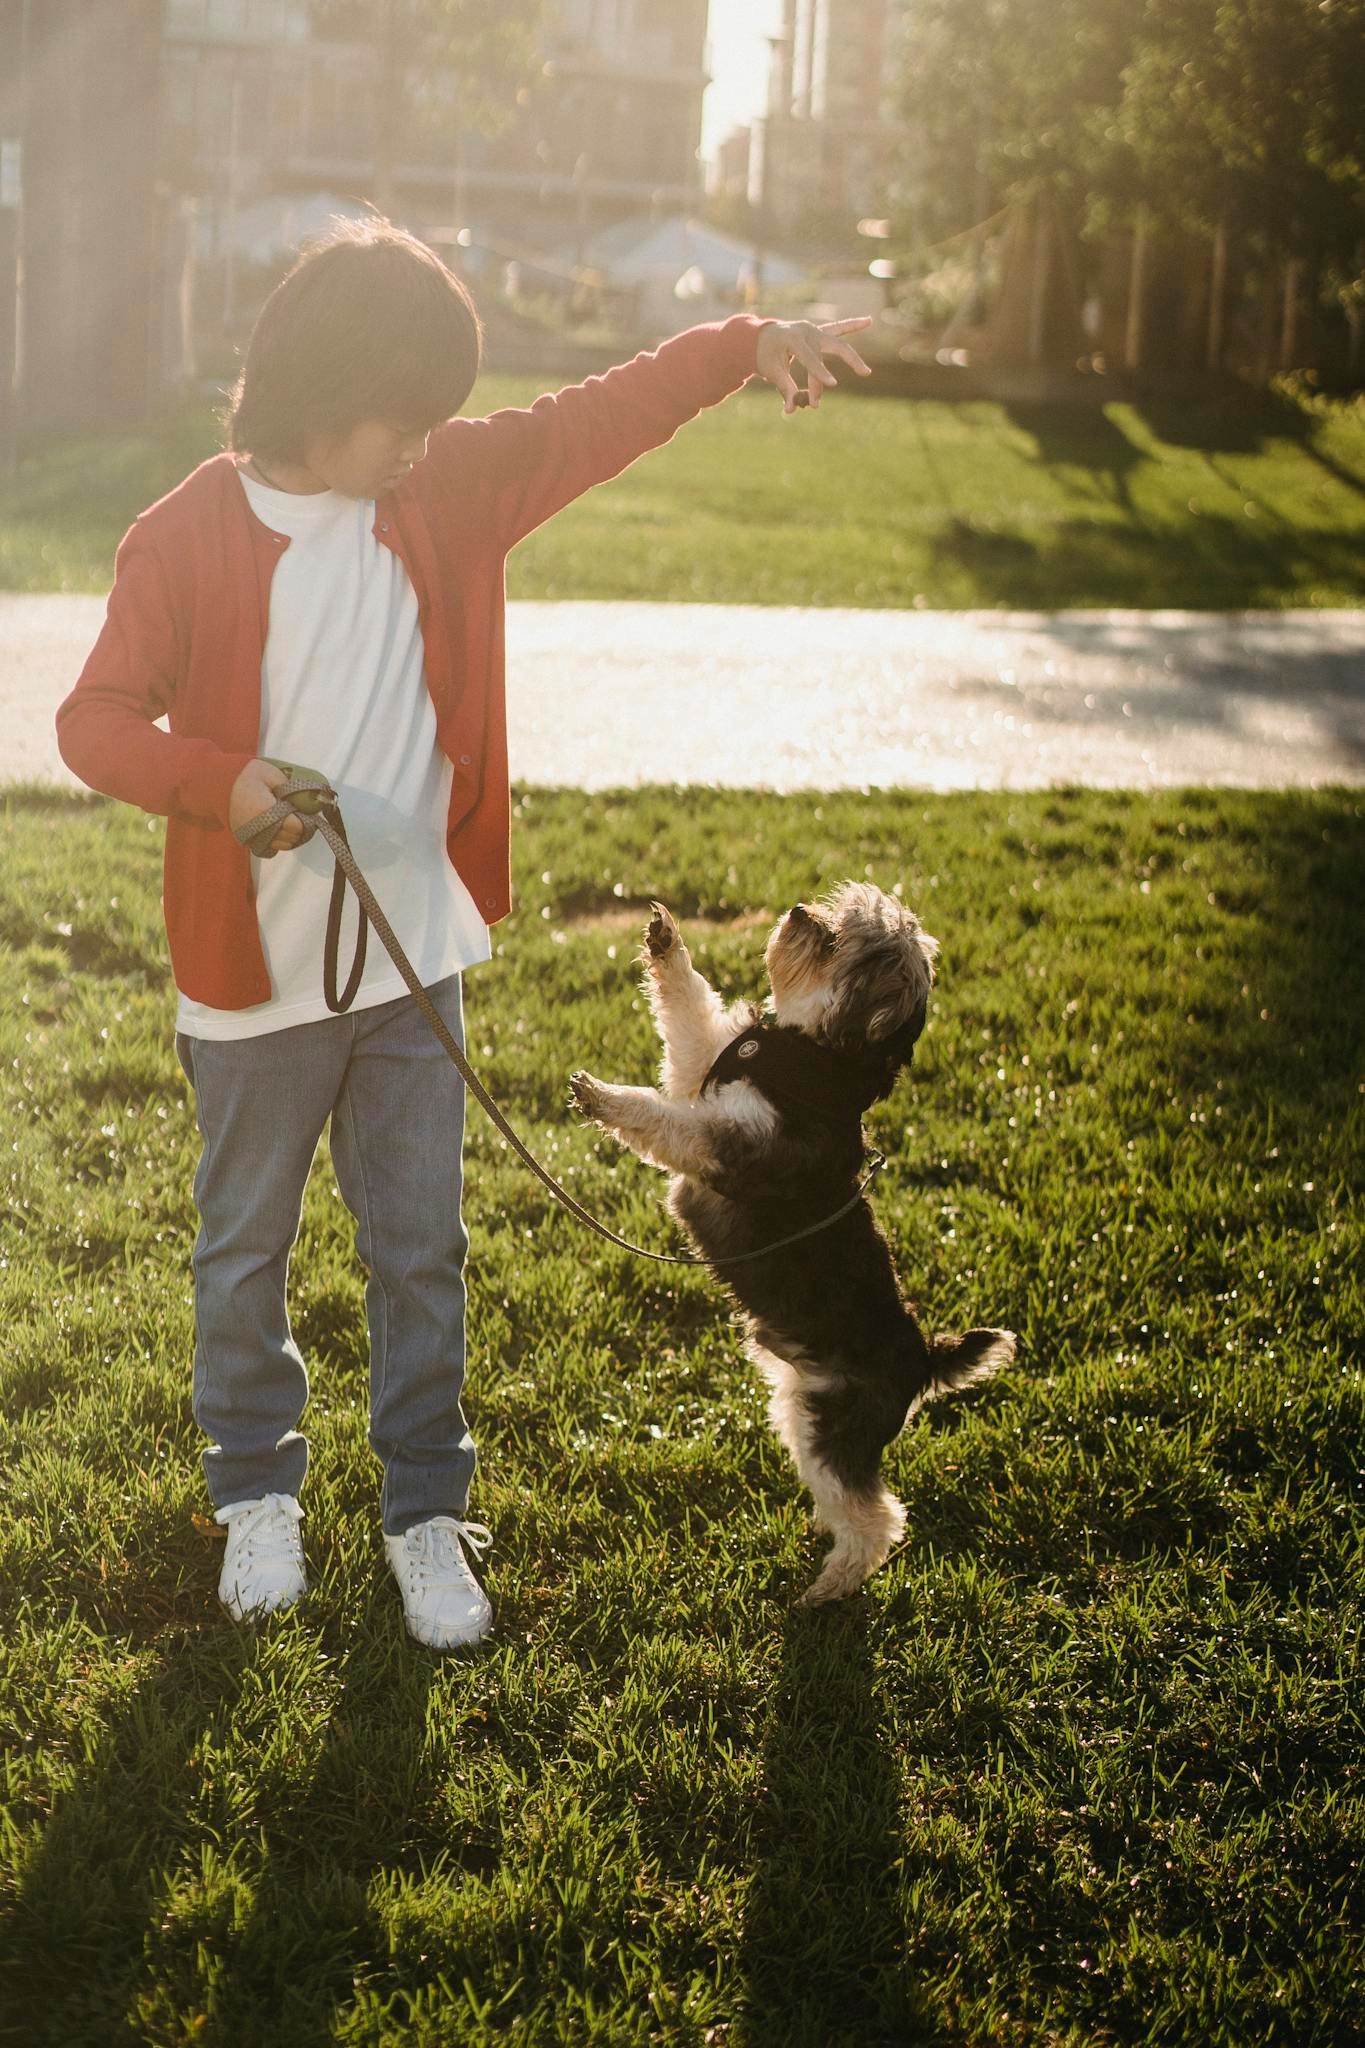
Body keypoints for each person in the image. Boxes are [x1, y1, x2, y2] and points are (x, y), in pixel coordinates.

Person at [54, 214, 873, 1651]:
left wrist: (744, 343)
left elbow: (605, 412)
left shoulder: (450, 492)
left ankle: (425, 1511)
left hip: (410, 962)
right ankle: (257, 1493)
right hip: (251, 992)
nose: (426, 445)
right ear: (318, 393)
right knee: (242, 1253)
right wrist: (222, 782)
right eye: (403, 417)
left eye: (441, 419)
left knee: (417, 1249)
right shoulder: (181, 536)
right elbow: (93, 725)